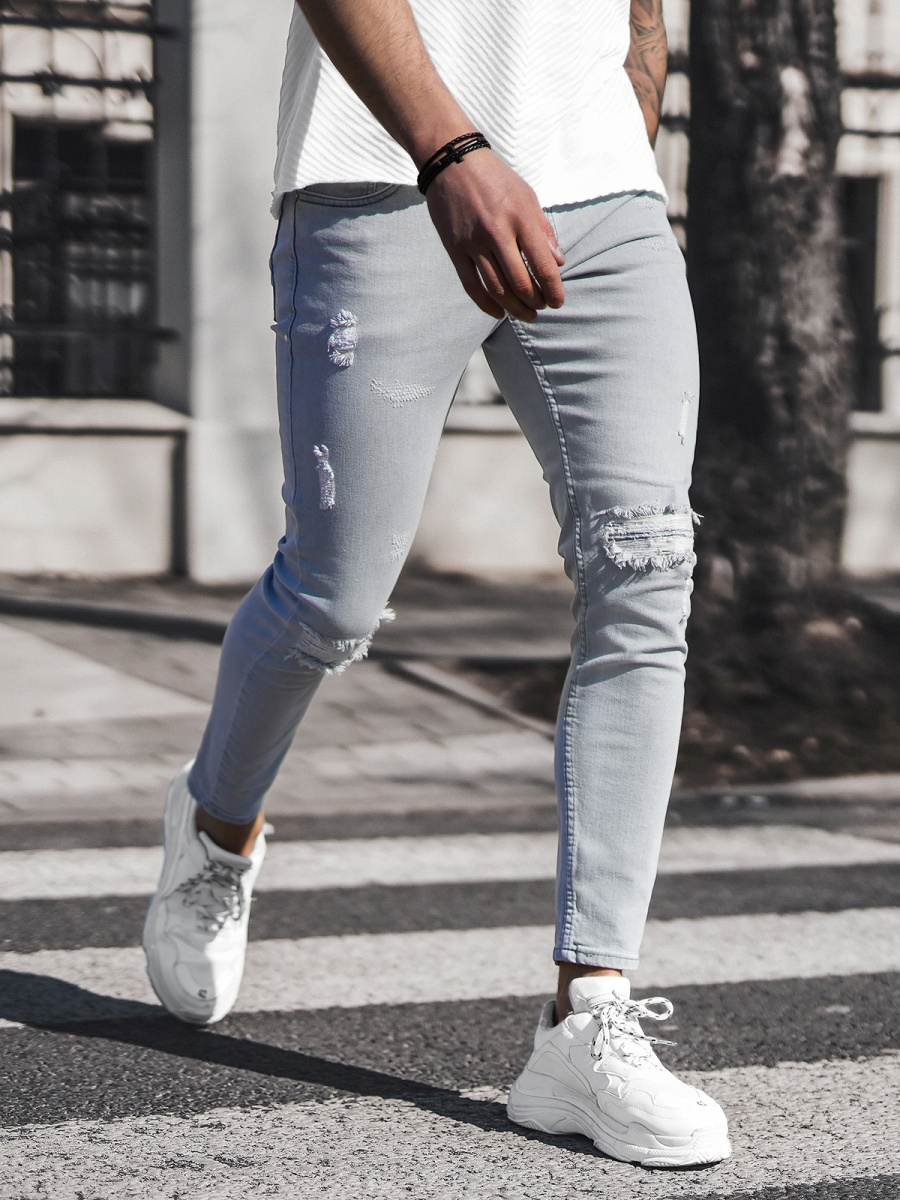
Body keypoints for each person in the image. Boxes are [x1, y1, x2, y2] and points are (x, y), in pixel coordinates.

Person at [142, 0, 731, 1168]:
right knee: (335, 598)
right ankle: (214, 827)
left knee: (646, 567)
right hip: (381, 177)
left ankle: (588, 1013)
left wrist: (620, 135)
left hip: (603, 199)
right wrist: (453, 151)